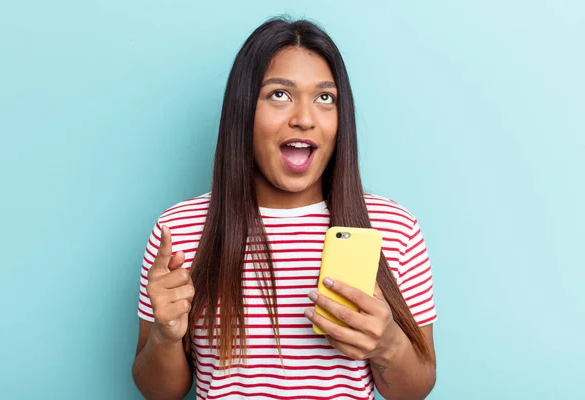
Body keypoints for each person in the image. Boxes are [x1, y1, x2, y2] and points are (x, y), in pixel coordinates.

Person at [132, 17, 437, 400]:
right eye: (280, 94)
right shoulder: (180, 230)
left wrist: (388, 345)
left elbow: (416, 388)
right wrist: (165, 335)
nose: (305, 119)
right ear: (244, 111)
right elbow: (159, 392)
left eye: (325, 98)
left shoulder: (394, 227)